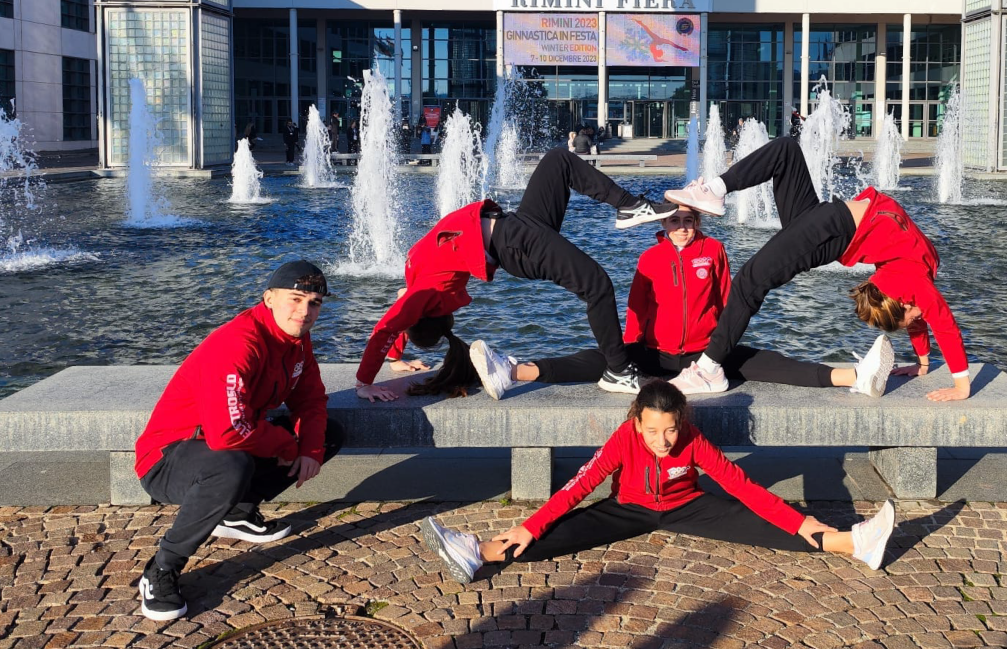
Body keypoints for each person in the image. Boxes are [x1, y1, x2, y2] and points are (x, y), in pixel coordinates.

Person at [420, 380, 896, 585]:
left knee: (761, 520)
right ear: (636, 420)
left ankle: (850, 543)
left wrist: (800, 518)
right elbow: (577, 488)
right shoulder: (622, 440)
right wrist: (531, 524)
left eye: (670, 429)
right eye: (653, 431)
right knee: (555, 532)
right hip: (627, 508)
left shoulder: (692, 439)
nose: (664, 441)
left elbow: (741, 485)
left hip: (690, 506)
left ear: (681, 420)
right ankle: (478, 552)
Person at [352, 148, 679, 402]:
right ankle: (620, 371)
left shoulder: (415, 286)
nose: (399, 305)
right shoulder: (424, 292)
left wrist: (395, 359)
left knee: (558, 160)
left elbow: (396, 318)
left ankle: (629, 205)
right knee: (597, 286)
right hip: (515, 245)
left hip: (517, 227)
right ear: (425, 313)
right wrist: (364, 383)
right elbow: (388, 325)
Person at [470, 206, 891, 400]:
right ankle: (511, 371)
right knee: (595, 360)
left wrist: (721, 349)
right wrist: (628, 356)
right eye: (675, 221)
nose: (683, 228)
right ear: (663, 225)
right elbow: (637, 310)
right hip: (656, 353)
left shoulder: (716, 251)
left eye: (690, 221)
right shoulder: (650, 258)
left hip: (707, 356)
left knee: (770, 362)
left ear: (698, 223)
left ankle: (854, 376)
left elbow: (732, 300)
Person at [662, 137, 970, 401]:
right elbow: (943, 324)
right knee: (785, 152)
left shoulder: (914, 277)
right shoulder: (915, 283)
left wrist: (923, 362)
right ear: (903, 301)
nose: (920, 319)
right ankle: (711, 370)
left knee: (750, 280)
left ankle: (709, 365)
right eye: (913, 316)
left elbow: (919, 317)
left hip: (830, 227)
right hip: (831, 226)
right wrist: (961, 384)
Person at [133, 261, 344, 621]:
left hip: (223, 447)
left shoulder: (297, 341)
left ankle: (236, 510)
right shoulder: (238, 343)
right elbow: (227, 432)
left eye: (314, 303)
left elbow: (310, 401)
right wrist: (284, 444)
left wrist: (308, 449)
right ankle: (160, 571)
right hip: (167, 458)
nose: (305, 311)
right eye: (295, 299)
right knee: (232, 464)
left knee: (329, 435)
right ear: (268, 298)